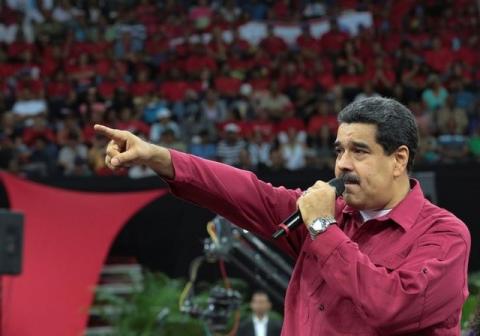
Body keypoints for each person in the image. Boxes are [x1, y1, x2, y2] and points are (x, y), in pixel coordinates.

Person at [94, 97, 471, 335]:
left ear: (399, 159)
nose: (342, 165)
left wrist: (323, 228)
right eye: (339, 151)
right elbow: (248, 192)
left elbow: (390, 307)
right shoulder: (326, 212)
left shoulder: (444, 236)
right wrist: (157, 156)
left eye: (359, 151)